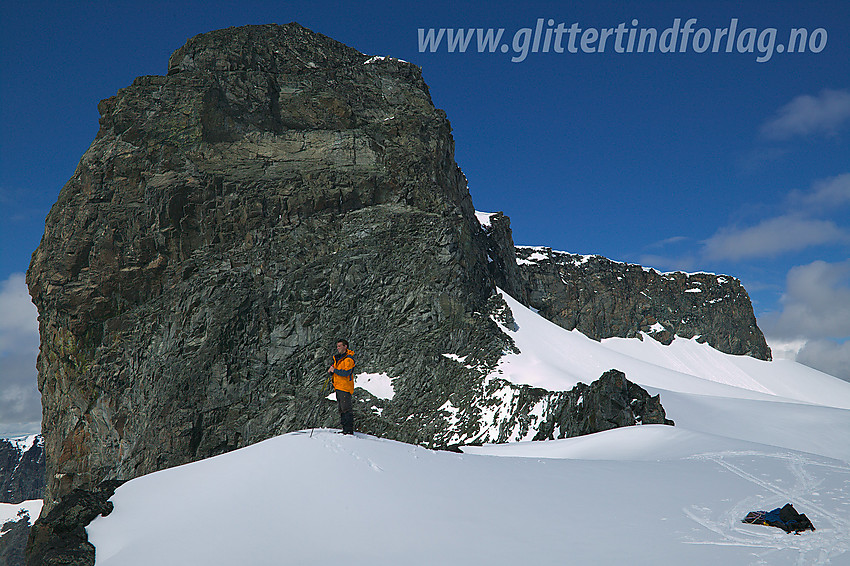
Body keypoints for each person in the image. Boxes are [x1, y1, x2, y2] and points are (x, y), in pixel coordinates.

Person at [328, 339, 355, 434]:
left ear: (345, 346)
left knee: (346, 408)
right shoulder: (339, 359)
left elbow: (346, 372)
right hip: (339, 387)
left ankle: (348, 430)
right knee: (342, 409)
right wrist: (332, 371)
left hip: (345, 387)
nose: (338, 348)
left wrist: (334, 370)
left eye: (340, 346)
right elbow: (337, 372)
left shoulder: (348, 359)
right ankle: (345, 429)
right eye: (337, 346)